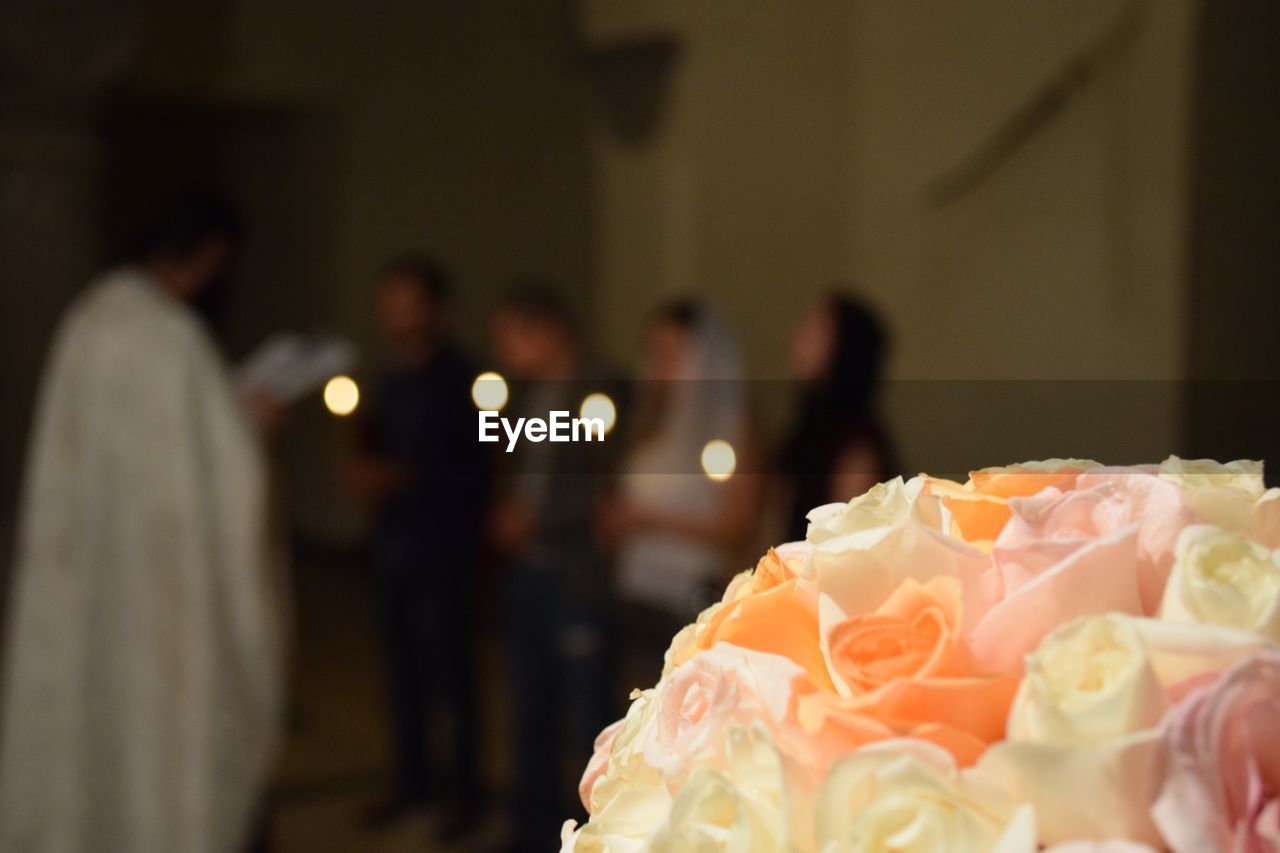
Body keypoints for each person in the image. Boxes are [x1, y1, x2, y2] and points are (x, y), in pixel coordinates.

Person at [0, 190, 286, 853]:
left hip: (95, 576)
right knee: (166, 735)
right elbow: (221, 479)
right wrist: (252, 427)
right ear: (211, 252)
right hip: (164, 592)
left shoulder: (93, 315)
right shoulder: (169, 336)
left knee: (92, 723)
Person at [346, 256, 489, 838]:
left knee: (451, 674)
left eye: (407, 305)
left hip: (443, 548)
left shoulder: (463, 381)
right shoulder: (390, 378)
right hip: (395, 546)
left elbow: (475, 468)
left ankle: (465, 795)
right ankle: (411, 782)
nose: (395, 318)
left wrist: (407, 477)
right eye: (388, 306)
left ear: (435, 309)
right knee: (400, 670)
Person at [489, 282, 623, 852]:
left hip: (576, 574)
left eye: (512, 338)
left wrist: (536, 522)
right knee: (528, 702)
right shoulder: (527, 397)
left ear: (547, 328)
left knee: (585, 715)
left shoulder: (600, 388)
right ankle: (532, 825)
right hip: (529, 572)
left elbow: (606, 486)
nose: (504, 353)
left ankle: (589, 834)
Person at [607, 300, 763, 682]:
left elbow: (738, 530)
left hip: (688, 603)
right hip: (634, 596)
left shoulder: (733, 436)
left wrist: (650, 520)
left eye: (674, 353)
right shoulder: (648, 425)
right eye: (655, 352)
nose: (661, 366)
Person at [778, 292, 897, 541]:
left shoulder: (856, 450)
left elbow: (843, 546)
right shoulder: (806, 431)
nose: (795, 339)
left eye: (813, 330)